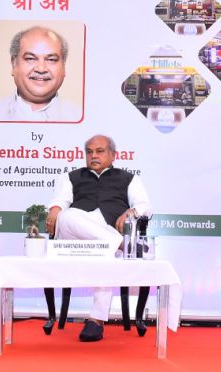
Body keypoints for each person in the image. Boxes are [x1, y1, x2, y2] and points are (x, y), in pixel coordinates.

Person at [46, 135, 151, 341]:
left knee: (105, 251)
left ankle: (96, 320)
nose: (94, 156)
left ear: (113, 155)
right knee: (67, 215)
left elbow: (145, 206)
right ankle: (120, 243)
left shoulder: (129, 178)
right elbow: (60, 201)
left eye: (100, 151)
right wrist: (55, 208)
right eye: (90, 152)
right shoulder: (71, 176)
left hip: (106, 231)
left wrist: (131, 211)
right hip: (75, 233)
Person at [0, 26, 81, 122]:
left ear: (63, 67)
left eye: (51, 59)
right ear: (14, 64)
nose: (41, 68)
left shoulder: (78, 116)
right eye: (30, 58)